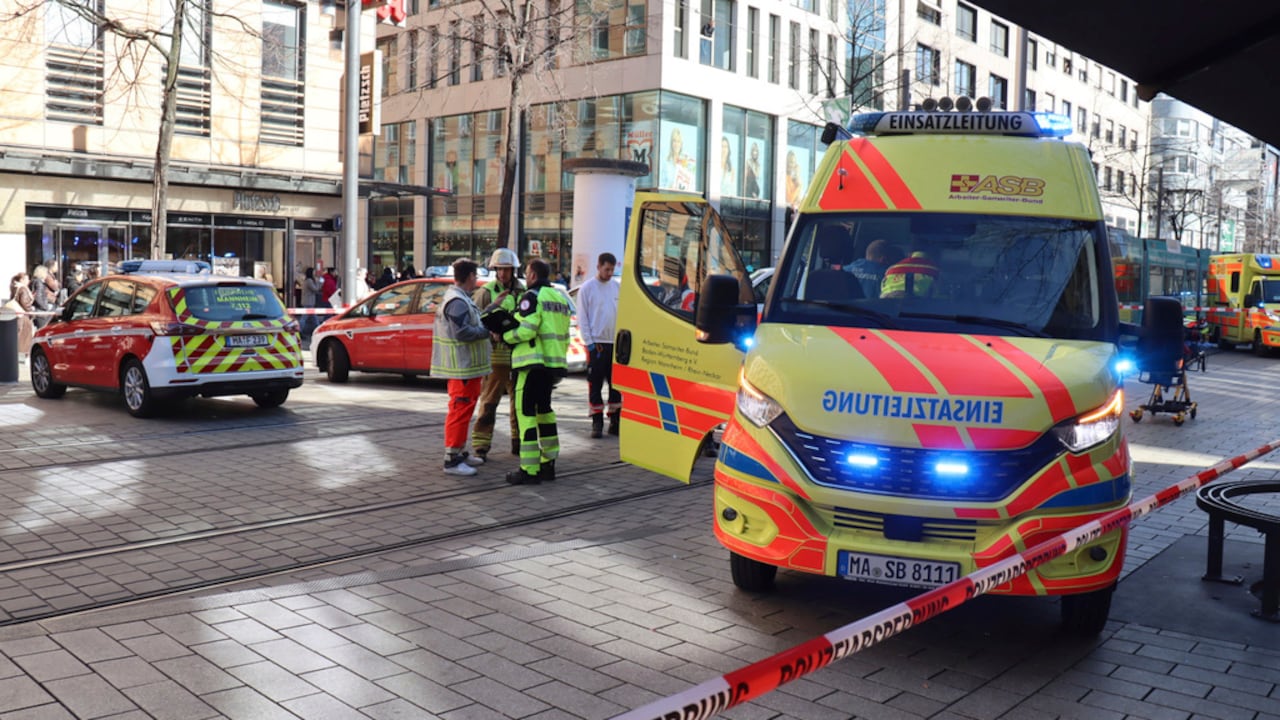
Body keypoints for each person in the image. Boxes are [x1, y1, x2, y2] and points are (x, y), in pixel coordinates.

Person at [502, 258, 572, 485]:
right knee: (545, 413)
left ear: (532, 275)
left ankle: (529, 469)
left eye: (526, 272)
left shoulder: (531, 297)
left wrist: (505, 335)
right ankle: (548, 464)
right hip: (551, 366)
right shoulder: (559, 298)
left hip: (531, 365)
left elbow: (527, 329)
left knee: (527, 416)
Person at [430, 258, 493, 477]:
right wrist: (487, 333)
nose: (477, 280)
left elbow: (471, 323)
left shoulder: (462, 298)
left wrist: (494, 307)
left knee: (464, 411)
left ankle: (459, 451)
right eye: (475, 276)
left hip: (468, 369)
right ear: (468, 277)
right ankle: (452, 459)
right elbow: (463, 332)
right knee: (459, 411)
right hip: (462, 368)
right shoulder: (457, 301)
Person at [471, 247, 524, 461]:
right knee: (489, 403)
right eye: (499, 269)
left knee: (519, 404)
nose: (502, 274)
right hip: (495, 359)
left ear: (513, 270)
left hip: (519, 356)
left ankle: (518, 442)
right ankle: (481, 447)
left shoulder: (523, 292)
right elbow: (475, 321)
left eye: (506, 269)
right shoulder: (486, 292)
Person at [577, 252, 622, 438]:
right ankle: (597, 421)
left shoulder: (617, 288)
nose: (610, 273)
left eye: (612, 269)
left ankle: (615, 419)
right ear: (599, 267)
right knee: (595, 385)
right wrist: (589, 343)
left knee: (616, 385)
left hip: (615, 343)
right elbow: (583, 317)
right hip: (598, 343)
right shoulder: (587, 288)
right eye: (607, 269)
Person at [7, 272, 35, 363]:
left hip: (17, 315)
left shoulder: (15, 287)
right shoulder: (23, 288)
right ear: (22, 280)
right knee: (25, 337)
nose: (29, 281)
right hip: (23, 316)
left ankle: (12, 355)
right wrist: (30, 310)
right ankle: (26, 357)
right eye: (27, 279)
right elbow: (24, 302)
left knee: (17, 336)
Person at [30, 264, 54, 329]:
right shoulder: (39, 283)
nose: (47, 275)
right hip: (40, 311)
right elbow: (38, 297)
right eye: (46, 273)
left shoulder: (34, 281)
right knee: (43, 328)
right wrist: (45, 307)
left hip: (36, 310)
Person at [300, 267, 322, 336]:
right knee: (305, 318)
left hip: (308, 301)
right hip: (308, 302)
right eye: (314, 272)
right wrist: (320, 282)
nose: (314, 273)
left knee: (313, 318)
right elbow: (315, 289)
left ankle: (318, 330)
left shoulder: (307, 280)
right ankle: (300, 330)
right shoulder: (309, 281)